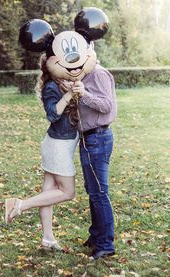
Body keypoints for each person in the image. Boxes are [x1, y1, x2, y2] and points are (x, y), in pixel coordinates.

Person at [4, 54, 79, 250]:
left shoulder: (63, 81)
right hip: (57, 146)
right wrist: (69, 95)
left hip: (60, 144)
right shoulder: (52, 87)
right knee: (68, 192)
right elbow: (53, 114)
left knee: (48, 192)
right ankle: (19, 205)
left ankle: (47, 239)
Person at [71, 62, 117, 260]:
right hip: (88, 138)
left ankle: (106, 244)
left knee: (99, 193)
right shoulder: (83, 74)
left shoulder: (97, 73)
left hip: (97, 137)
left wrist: (84, 94)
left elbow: (107, 106)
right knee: (93, 191)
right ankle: (96, 235)